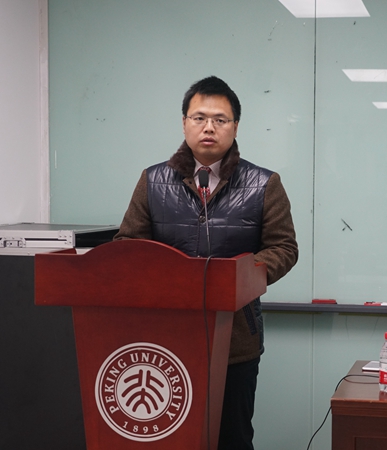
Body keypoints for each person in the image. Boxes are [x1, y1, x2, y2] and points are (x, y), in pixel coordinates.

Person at [114, 75, 298, 449]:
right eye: (199, 118)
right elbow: (127, 246)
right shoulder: (153, 181)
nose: (209, 127)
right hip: (164, 339)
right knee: (169, 439)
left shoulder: (264, 184)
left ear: (235, 126)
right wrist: (166, 277)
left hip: (236, 340)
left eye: (220, 119)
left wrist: (238, 278)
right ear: (184, 123)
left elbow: (283, 248)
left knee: (232, 438)